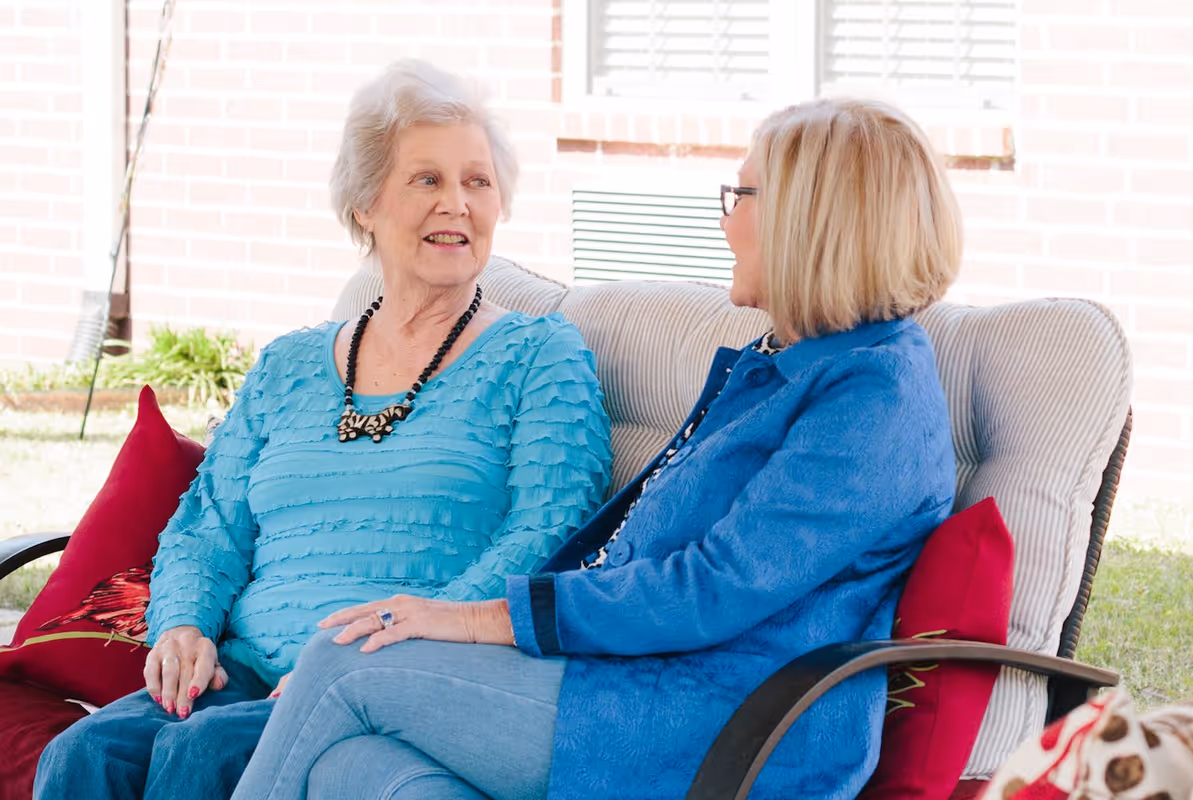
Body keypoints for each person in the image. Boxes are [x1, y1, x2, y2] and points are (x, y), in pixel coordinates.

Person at [231, 96, 963, 800]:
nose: (726, 222)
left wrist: (473, 620)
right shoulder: (790, 360)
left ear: (813, 220)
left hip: (707, 723)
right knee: (354, 772)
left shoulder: (875, 399)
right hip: (626, 681)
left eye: (740, 196)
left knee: (341, 660)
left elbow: (709, 590)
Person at [33, 60, 612, 800]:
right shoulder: (290, 365)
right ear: (366, 204)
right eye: (427, 180)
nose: (458, 205)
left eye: (478, 182)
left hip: (391, 672)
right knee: (82, 755)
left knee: (201, 756)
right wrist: (182, 626)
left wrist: (356, 658)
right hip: (239, 670)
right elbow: (207, 526)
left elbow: (549, 534)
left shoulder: (540, 356)